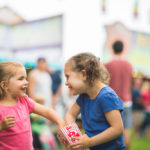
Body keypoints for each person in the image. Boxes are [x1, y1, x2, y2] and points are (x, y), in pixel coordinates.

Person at [64, 52, 125, 150]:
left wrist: (89, 142)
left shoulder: (106, 96)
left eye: (68, 76)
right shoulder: (84, 96)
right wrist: (74, 138)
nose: (66, 83)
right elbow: (70, 115)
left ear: (84, 74)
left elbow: (117, 129)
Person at [0, 61, 64, 150]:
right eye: (21, 79)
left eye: (26, 78)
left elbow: (46, 111)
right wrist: (1, 126)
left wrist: (59, 121)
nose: (26, 82)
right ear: (4, 85)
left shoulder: (24, 101)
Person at [105, 41, 133, 150]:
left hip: (112, 102)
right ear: (122, 49)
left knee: (110, 132)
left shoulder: (108, 65)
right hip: (126, 101)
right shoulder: (129, 65)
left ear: (112, 49)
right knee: (126, 131)